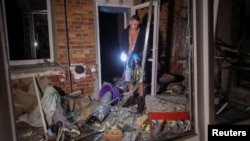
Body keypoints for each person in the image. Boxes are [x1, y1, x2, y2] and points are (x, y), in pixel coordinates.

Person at [119, 15, 150, 114]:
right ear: (130, 22)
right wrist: (123, 52)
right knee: (129, 80)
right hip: (128, 59)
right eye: (134, 24)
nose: (135, 26)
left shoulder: (142, 33)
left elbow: (147, 47)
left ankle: (140, 101)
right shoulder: (124, 32)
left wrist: (139, 57)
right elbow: (122, 44)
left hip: (137, 59)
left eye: (137, 24)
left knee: (140, 81)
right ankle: (131, 98)